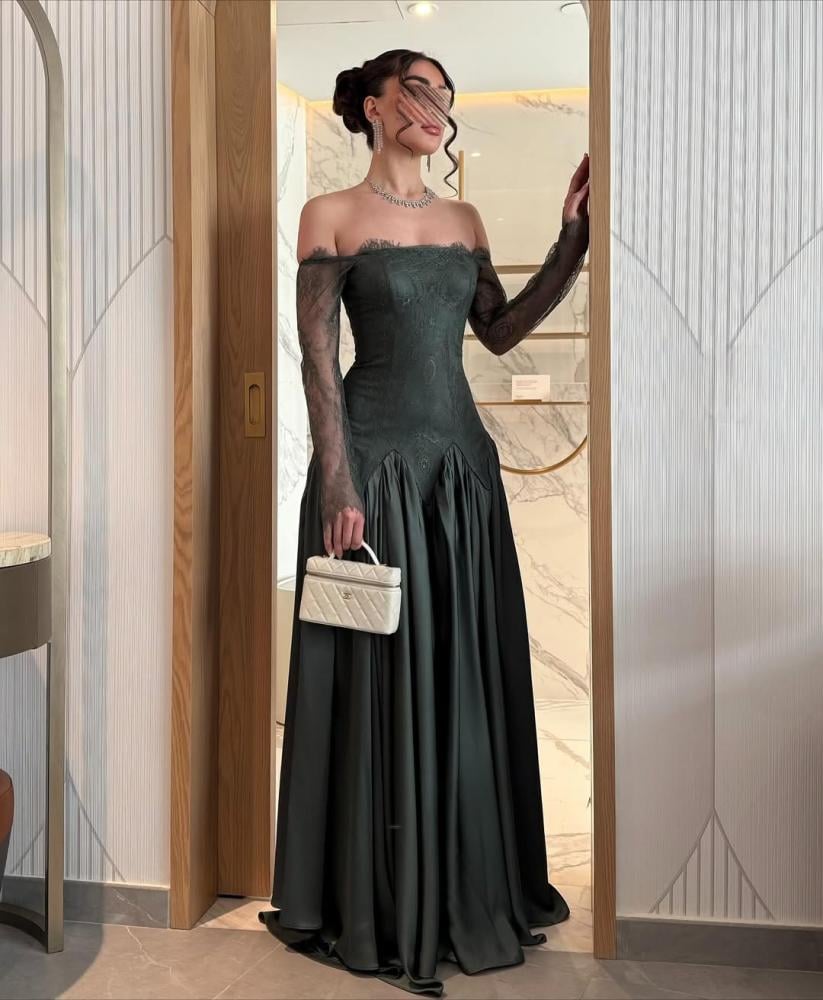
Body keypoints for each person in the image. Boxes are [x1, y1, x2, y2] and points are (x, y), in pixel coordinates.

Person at [258, 48, 590, 998]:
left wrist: (571, 238)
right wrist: (336, 480)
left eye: (444, 95)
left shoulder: (464, 220)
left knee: (461, 672)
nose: (435, 106)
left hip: (460, 475)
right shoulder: (328, 214)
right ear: (372, 107)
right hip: (375, 471)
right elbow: (317, 357)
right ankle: (378, 901)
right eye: (415, 90)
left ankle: (461, 886)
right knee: (377, 677)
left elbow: (501, 331)